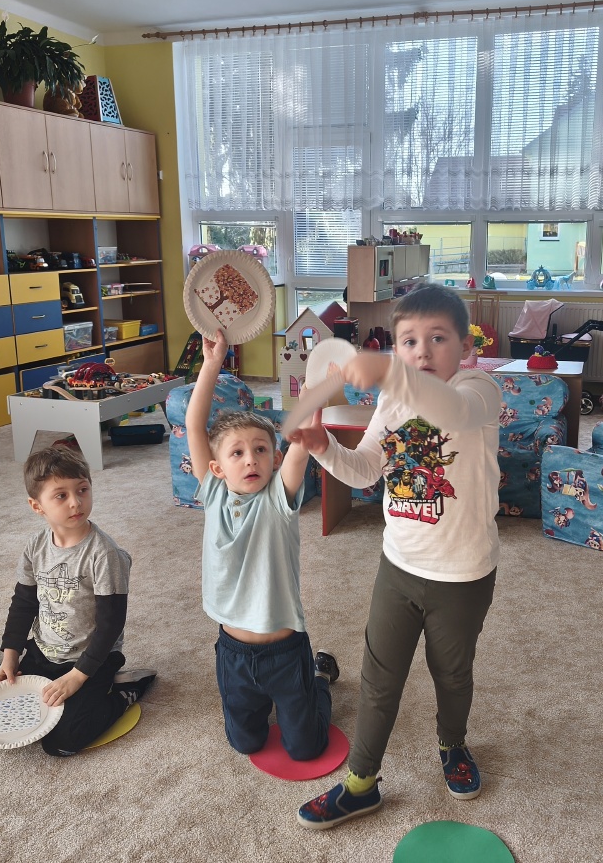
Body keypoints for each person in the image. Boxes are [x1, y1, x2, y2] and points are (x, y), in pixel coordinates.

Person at [288, 283, 503, 829]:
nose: (422, 352)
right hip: (399, 567)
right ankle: (361, 782)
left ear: (465, 347)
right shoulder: (392, 401)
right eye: (408, 341)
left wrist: (387, 370)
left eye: (438, 339)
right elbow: (366, 468)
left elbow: (453, 411)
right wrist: (323, 447)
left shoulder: (478, 389)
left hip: (463, 572)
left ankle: (452, 745)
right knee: (379, 678)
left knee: (451, 673)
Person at [187, 328, 338, 762]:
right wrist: (212, 364)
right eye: (236, 453)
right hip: (233, 652)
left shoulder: (278, 497)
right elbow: (194, 425)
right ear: (217, 467)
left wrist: (313, 397)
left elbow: (301, 443)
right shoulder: (213, 493)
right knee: (245, 743)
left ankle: (319, 678)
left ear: (275, 459)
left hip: (285, 651)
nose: (250, 458)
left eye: (260, 450)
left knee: (306, 748)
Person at [0, 445, 155, 756]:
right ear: (36, 505)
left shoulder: (105, 554)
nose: (76, 502)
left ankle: (125, 690)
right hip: (44, 652)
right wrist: (10, 654)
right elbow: (24, 603)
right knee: (11, 715)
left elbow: (111, 624)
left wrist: (78, 677)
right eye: (61, 495)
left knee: (61, 743)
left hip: (93, 658)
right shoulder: (35, 546)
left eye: (82, 490)